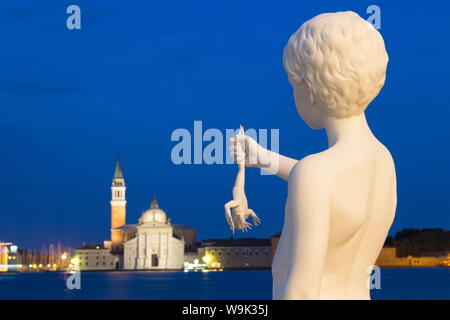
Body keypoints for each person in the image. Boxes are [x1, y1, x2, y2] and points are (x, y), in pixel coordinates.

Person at [230, 11, 396, 300]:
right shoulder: (382, 160)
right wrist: (263, 158)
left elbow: (302, 291)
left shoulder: (316, 172)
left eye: (294, 84)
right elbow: (334, 189)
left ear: (310, 89)